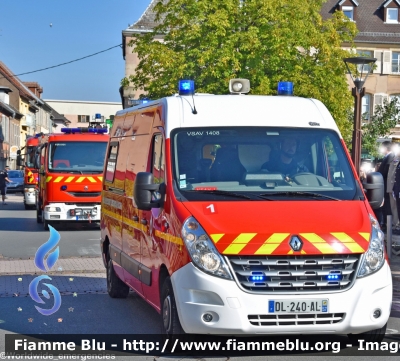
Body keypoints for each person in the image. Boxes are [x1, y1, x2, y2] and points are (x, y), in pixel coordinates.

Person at [375, 141, 395, 231]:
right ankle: (385, 223)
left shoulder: (391, 157)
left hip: (386, 185)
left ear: (386, 148)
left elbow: (386, 172)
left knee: (387, 205)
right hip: (383, 184)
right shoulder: (386, 157)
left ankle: (388, 224)